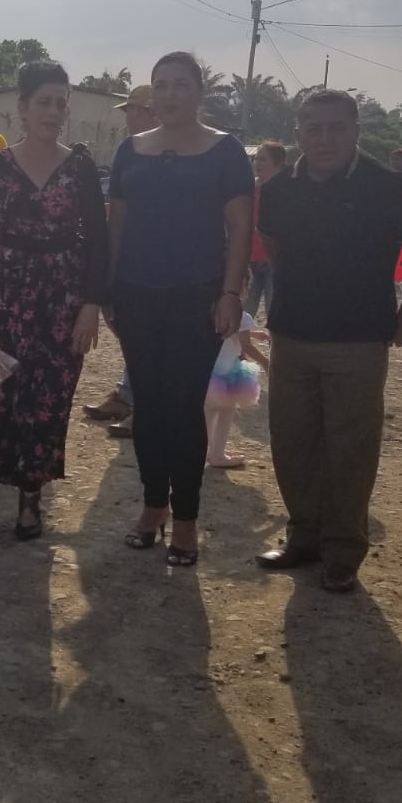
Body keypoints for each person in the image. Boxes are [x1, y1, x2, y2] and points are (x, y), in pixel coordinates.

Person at [255, 89, 402, 591]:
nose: (325, 139)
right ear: (298, 135)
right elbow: (272, 246)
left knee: (350, 448)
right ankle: (303, 536)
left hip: (359, 340)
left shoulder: (388, 187)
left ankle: (342, 549)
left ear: (356, 131)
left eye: (337, 128)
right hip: (291, 334)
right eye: (313, 129)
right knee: (292, 442)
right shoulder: (278, 190)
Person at [0, 61, 107, 539]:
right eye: (43, 102)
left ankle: (31, 499)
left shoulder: (81, 168)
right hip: (5, 296)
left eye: (61, 103)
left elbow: (98, 243)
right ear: (22, 107)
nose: (53, 111)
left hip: (62, 301)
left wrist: (91, 305)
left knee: (47, 399)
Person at [109, 54, 253, 566]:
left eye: (180, 85)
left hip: (199, 297)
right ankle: (154, 506)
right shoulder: (130, 150)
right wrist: (109, 290)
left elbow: (240, 227)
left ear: (199, 91)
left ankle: (186, 519)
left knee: (184, 405)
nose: (170, 95)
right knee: (148, 405)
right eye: (161, 85)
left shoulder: (225, 150)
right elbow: (116, 225)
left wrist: (231, 293)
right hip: (136, 294)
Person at [83, 82, 155, 428]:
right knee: (132, 333)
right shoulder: (128, 152)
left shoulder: (172, 153)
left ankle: (140, 403)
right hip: (130, 260)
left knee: (147, 336)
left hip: (159, 266)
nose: (129, 118)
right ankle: (130, 396)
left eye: (133, 111)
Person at [206, 308, 269, 469]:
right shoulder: (240, 315)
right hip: (227, 372)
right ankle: (218, 454)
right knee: (226, 413)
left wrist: (252, 333)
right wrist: (265, 363)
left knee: (207, 413)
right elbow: (246, 346)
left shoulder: (209, 310)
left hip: (207, 371)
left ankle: (208, 450)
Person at [245, 141, 288, 320]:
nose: (257, 163)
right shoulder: (247, 189)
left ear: (278, 164)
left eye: (263, 159)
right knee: (244, 314)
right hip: (249, 261)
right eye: (256, 159)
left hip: (275, 262)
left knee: (275, 314)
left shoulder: (287, 192)